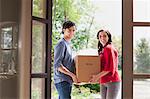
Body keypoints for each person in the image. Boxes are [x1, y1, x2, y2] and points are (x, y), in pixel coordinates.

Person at [90, 29, 121, 99]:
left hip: (112, 81)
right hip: (103, 80)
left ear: (108, 37)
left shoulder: (108, 48)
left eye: (104, 36)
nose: (102, 38)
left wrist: (96, 77)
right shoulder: (103, 49)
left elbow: (109, 68)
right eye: (100, 36)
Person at [54, 20, 78, 99]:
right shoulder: (61, 44)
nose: (72, 32)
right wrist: (72, 75)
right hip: (62, 80)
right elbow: (58, 65)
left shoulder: (69, 45)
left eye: (73, 30)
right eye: (69, 30)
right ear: (64, 30)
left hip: (67, 80)